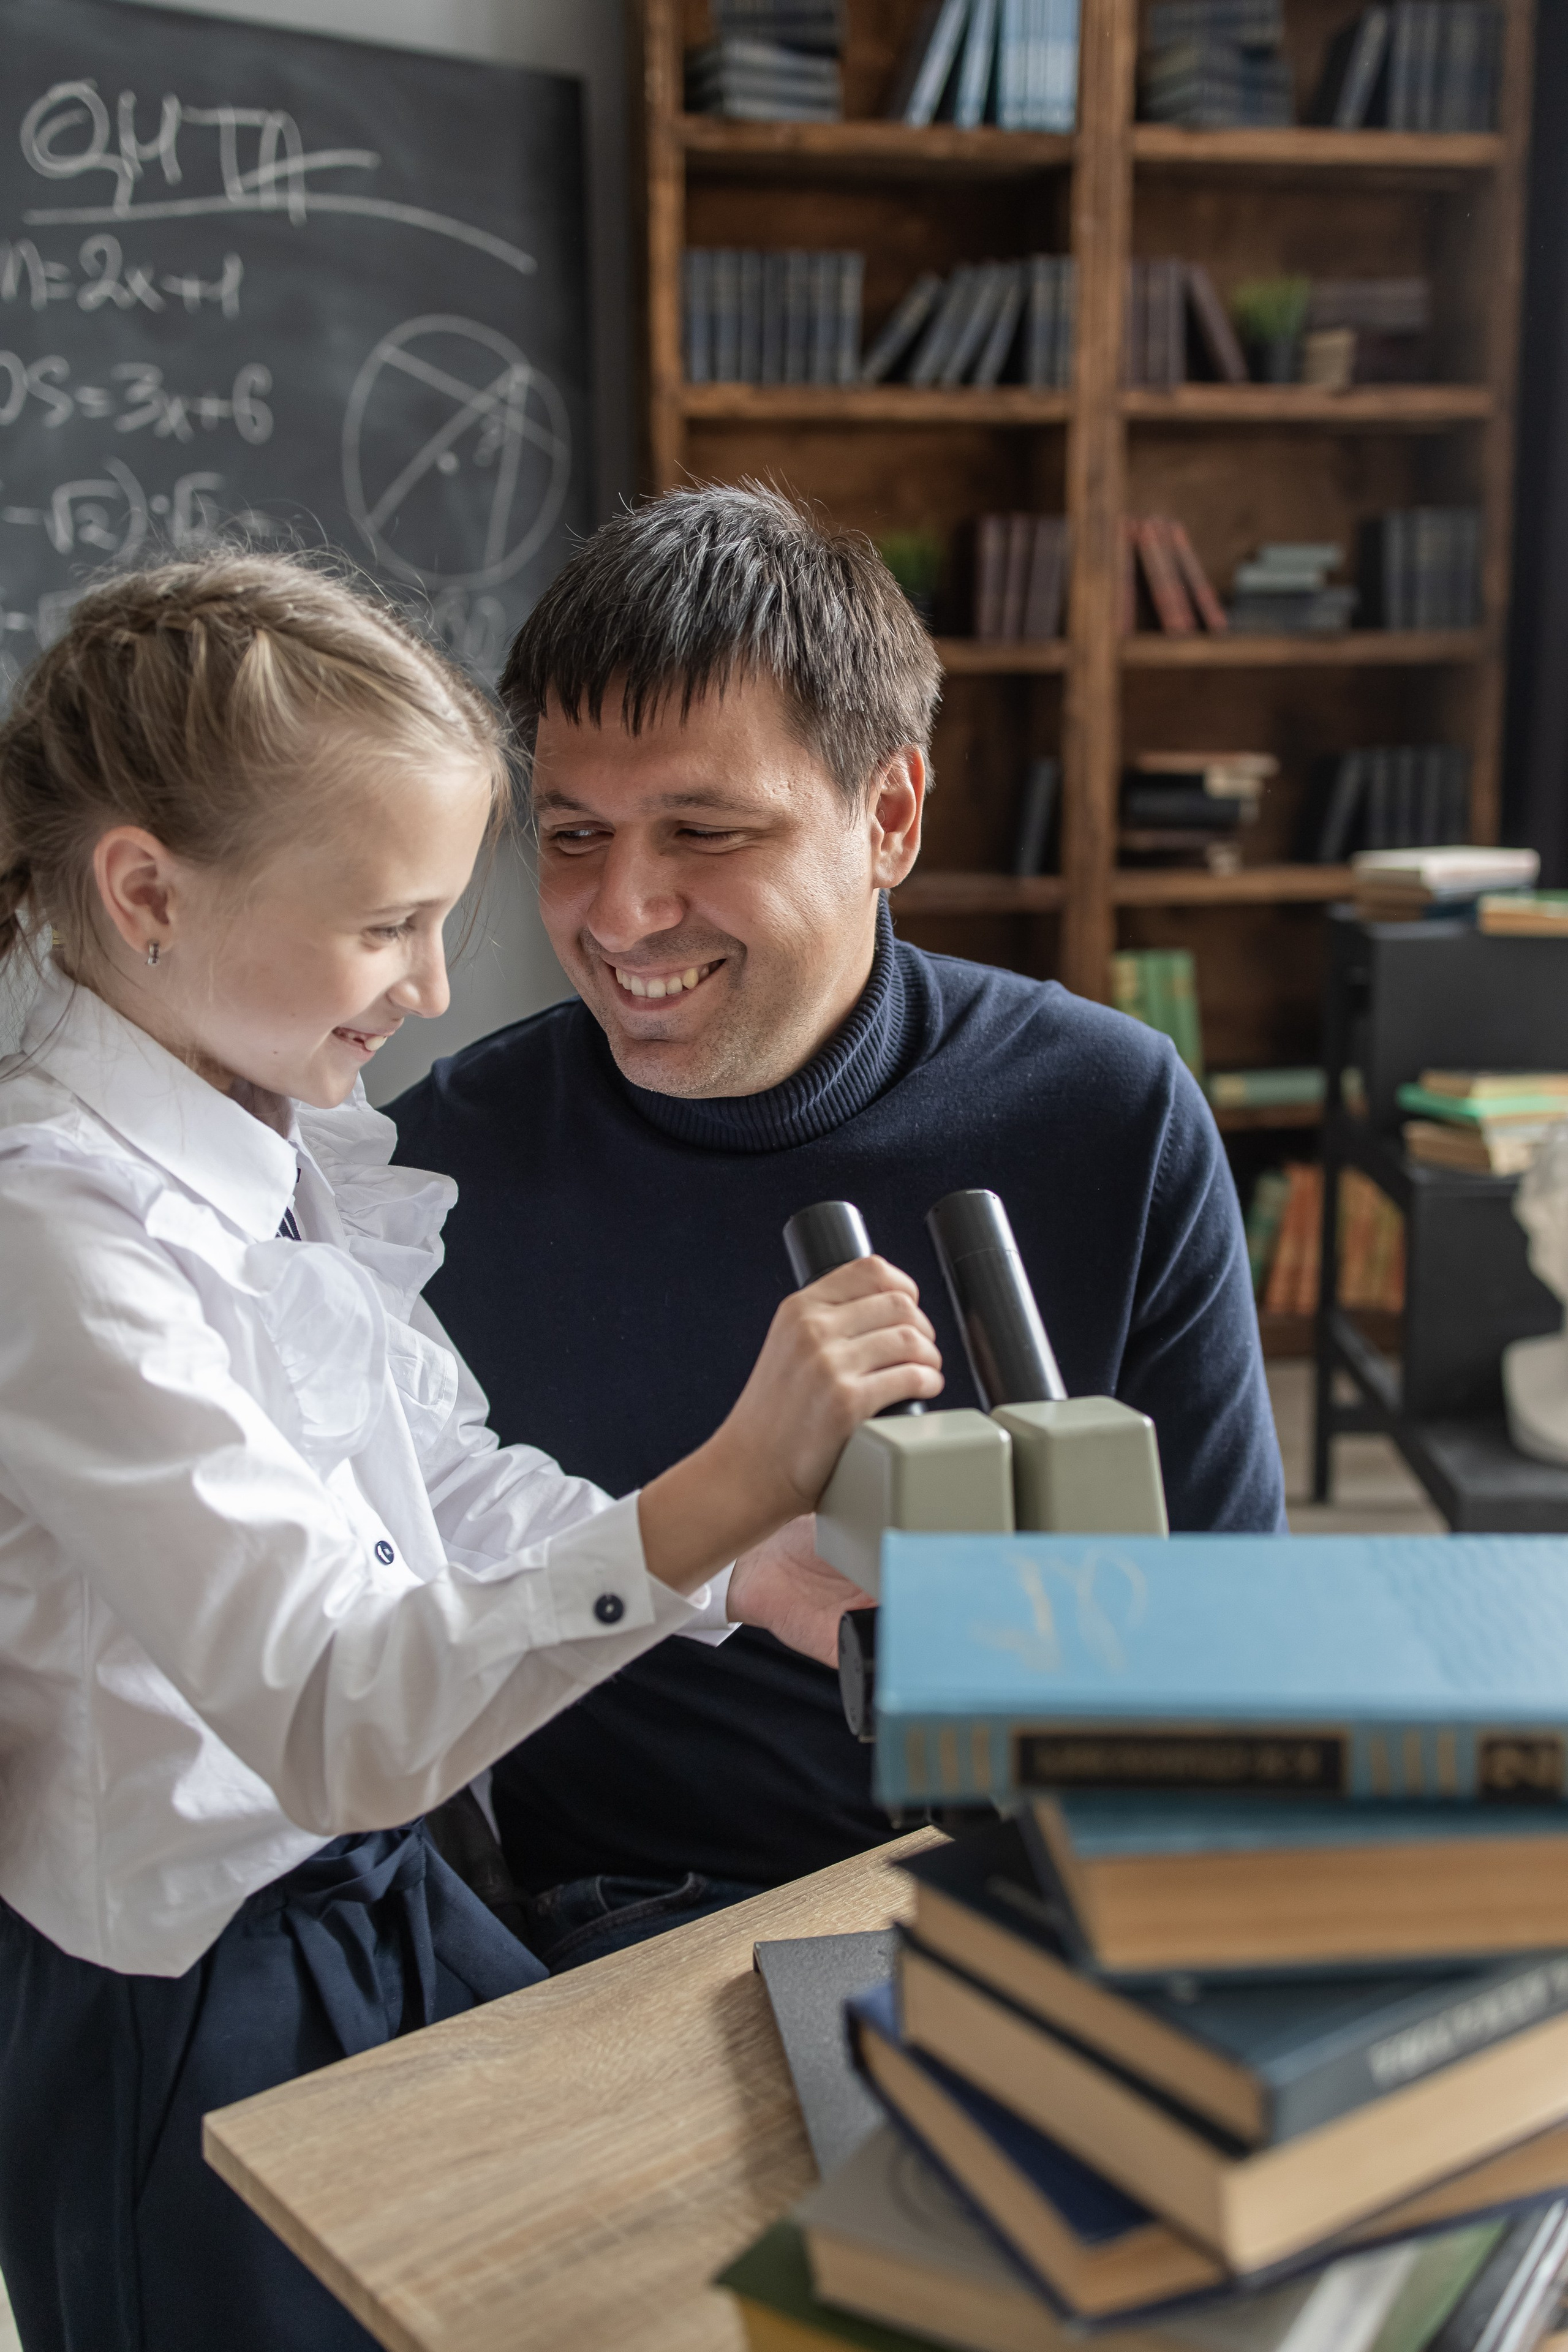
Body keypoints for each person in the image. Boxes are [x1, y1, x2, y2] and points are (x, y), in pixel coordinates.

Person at [0, 551, 942, 2352]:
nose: (440, 986)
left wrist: (745, 1572)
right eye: (385, 925)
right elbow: (340, 1717)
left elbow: (445, 1484)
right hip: (190, 1995)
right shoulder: (61, 1247)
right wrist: (720, 1486)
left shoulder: (258, 1135)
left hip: (382, 1896)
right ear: (146, 893)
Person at [389, 484, 1288, 1973]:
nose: (619, 912)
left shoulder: (1106, 1110)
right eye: (571, 833)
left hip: (1032, 1884)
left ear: (887, 818)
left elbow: (1221, 1625)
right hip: (614, 1926)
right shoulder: (437, 1171)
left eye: (702, 829)